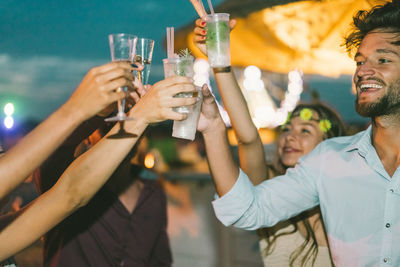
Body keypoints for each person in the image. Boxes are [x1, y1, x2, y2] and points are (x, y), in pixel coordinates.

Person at [197, 0, 400, 265]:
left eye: (382, 59)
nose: (362, 71)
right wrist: (213, 127)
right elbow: (247, 209)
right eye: (359, 61)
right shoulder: (329, 160)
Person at [0, 61, 197, 262]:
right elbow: (70, 193)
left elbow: (67, 195)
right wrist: (135, 115)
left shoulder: (153, 191)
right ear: (88, 139)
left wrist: (105, 111)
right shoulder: (64, 175)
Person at [193, 17, 346, 266]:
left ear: (330, 142)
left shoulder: (348, 192)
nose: (290, 136)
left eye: (305, 130)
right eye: (286, 129)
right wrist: (220, 63)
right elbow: (248, 139)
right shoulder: (269, 187)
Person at [34, 109, 172, 266]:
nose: (121, 128)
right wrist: (100, 111)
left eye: (129, 119)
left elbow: (160, 260)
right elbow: (51, 153)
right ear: (87, 137)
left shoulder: (153, 192)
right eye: (108, 125)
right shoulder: (68, 186)